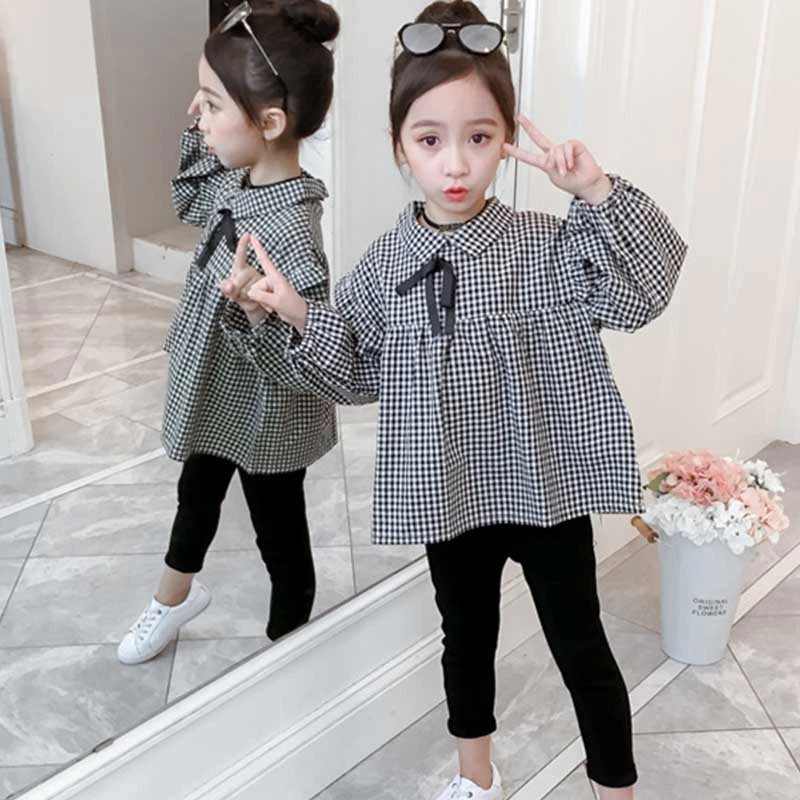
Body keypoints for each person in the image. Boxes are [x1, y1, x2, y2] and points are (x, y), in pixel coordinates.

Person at [223, 2, 687, 797]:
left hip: (548, 488)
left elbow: (643, 292)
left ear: (507, 139)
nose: (456, 164)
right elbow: (356, 374)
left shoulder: (550, 244)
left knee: (580, 644)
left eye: (479, 137)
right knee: (465, 638)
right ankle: (476, 779)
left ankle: (617, 788)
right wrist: (295, 312)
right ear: (398, 145)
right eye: (430, 139)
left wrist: (597, 191)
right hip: (450, 489)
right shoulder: (385, 265)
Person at [117, 0, 340, 665]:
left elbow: (306, 361)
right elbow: (188, 198)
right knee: (196, 494)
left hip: (268, 412)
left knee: (280, 533)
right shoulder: (235, 180)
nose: (200, 114)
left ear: (269, 122)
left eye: (212, 105)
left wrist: (257, 313)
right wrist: (201, 127)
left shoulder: (293, 234)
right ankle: (172, 599)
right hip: (219, 387)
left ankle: (287, 646)